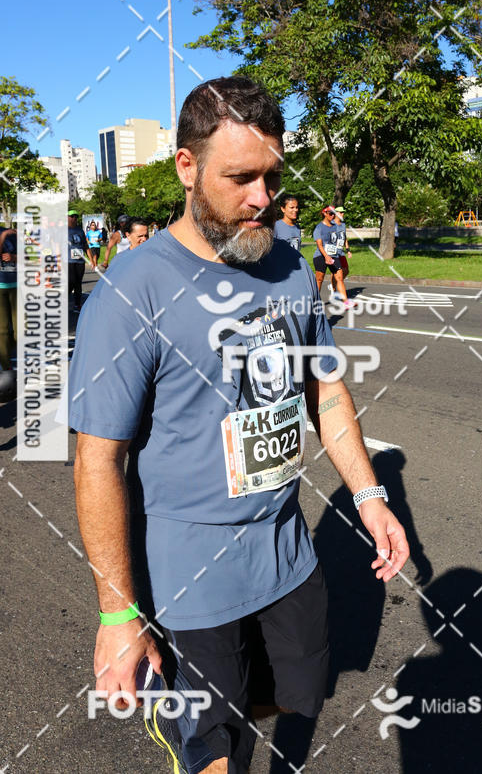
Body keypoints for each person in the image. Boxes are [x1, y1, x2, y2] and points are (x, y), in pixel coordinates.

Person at [69, 76, 409, 774]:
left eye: (272, 176)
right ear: (187, 169)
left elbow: (328, 390)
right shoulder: (135, 288)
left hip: (287, 556)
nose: (264, 198)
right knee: (214, 744)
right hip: (189, 572)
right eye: (241, 177)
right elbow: (97, 460)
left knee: (283, 698)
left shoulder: (287, 263)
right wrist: (117, 616)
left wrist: (371, 497)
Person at [312, 206, 354, 308]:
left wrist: (345, 250)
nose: (332, 215)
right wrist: (326, 257)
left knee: (339, 277)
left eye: (334, 213)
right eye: (330, 213)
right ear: (324, 213)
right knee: (319, 279)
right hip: (321, 256)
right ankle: (314, 301)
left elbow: (339, 240)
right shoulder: (319, 227)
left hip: (334, 256)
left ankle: (346, 301)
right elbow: (319, 245)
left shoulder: (335, 227)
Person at [0, 225, 17, 387]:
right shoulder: (5, 233)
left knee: (21, 330)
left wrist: (14, 258)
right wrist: (3, 237)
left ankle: (5, 355)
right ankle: (6, 366)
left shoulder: (12, 233)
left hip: (16, 285)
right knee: (3, 330)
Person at [67, 210, 94, 312]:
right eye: (72, 216)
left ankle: (77, 305)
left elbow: (85, 246)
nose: (74, 218)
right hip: (68, 261)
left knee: (78, 283)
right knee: (71, 282)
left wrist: (91, 260)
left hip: (80, 261)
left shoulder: (80, 230)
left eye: (76, 216)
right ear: (67, 218)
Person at [332, 206, 351, 281]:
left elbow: (345, 238)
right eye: (341, 212)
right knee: (335, 271)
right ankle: (333, 288)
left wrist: (348, 250)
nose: (342, 214)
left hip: (341, 251)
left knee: (346, 270)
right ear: (336, 213)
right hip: (333, 252)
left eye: (343, 212)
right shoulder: (331, 224)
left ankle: (338, 282)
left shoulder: (343, 225)